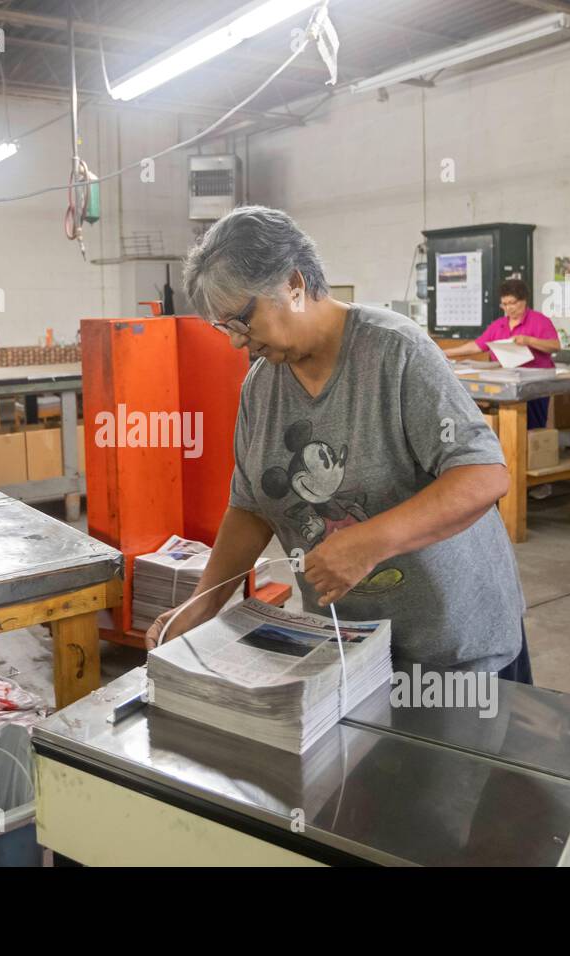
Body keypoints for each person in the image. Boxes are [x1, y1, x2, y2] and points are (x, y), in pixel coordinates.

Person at [146, 206, 532, 685]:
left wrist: (370, 542)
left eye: (242, 322)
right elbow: (250, 507)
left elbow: (483, 475)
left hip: (454, 649)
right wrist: (202, 604)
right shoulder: (261, 385)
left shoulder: (395, 351)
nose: (235, 343)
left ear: (293, 284)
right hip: (349, 648)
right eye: (224, 328)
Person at [443, 279, 560, 430]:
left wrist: (529, 340)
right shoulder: (499, 325)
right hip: (506, 380)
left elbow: (555, 346)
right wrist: (445, 352)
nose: (509, 308)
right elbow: (477, 345)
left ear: (524, 300)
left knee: (533, 425)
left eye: (512, 303)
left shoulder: (540, 321)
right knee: (504, 424)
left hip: (534, 382)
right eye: (504, 304)